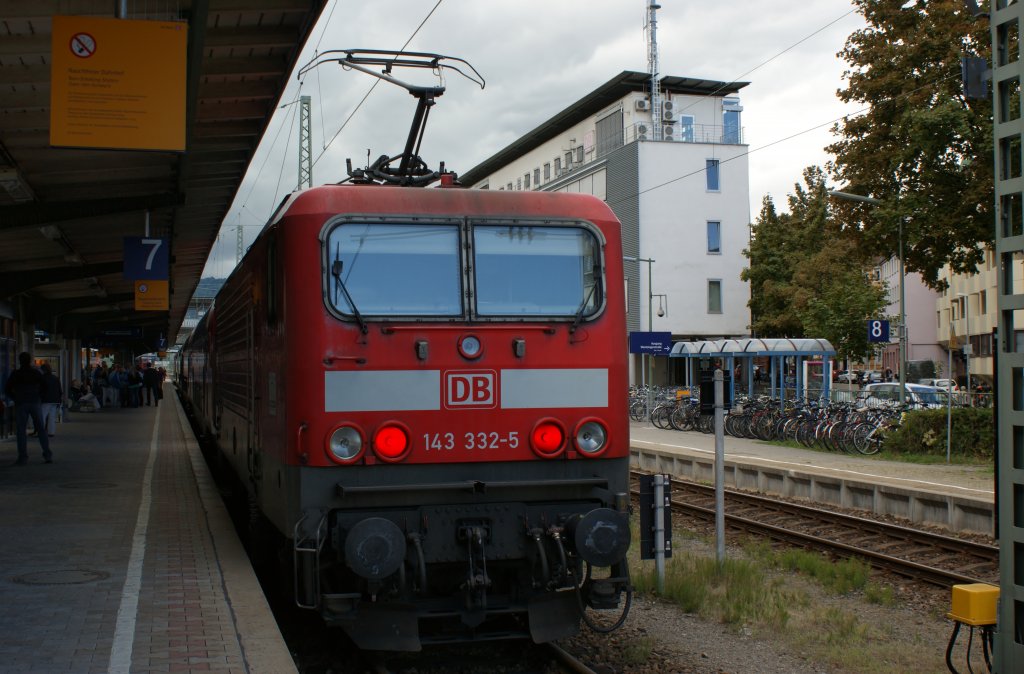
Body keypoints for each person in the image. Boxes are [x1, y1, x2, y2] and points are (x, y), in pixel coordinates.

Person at [4, 352, 52, 465]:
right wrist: (39, 396)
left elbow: (7, 388)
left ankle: (23, 457)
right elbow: (45, 386)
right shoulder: (35, 373)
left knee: (21, 430)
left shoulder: (16, 374)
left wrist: (15, 398)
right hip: (35, 402)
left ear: (19, 361)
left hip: (21, 403)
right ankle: (47, 455)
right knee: (41, 429)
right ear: (30, 360)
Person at [39, 362, 63, 438]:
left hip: (46, 400)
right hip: (55, 400)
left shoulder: (42, 378)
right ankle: (51, 432)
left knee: (43, 416)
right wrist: (59, 400)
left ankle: (41, 432)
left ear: (43, 370)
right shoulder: (55, 378)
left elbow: (41, 390)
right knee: (52, 417)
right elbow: (60, 390)